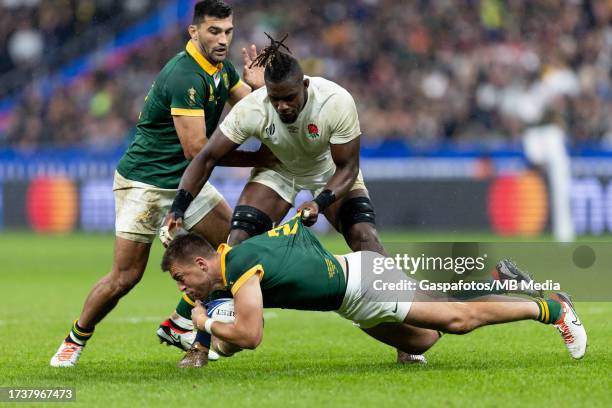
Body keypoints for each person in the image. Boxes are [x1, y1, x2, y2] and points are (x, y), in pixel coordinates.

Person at [161, 34, 427, 365]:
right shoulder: (253, 108)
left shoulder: (335, 101)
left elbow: (348, 167)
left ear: (304, 85)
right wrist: (178, 207)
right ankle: (200, 346)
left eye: (289, 98)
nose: (283, 106)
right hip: (277, 171)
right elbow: (206, 158)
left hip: (328, 171)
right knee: (235, 247)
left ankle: (409, 331)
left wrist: (321, 200)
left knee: (366, 241)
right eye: (276, 100)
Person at [50, 0, 270, 368]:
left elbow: (252, 110)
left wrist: (261, 89)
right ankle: (75, 338)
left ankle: (179, 324)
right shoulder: (185, 75)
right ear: (194, 32)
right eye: (214, 31)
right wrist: (256, 158)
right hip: (146, 182)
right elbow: (196, 149)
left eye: (228, 31)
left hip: (186, 181)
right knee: (126, 276)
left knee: (229, 252)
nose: (222, 39)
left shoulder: (222, 69)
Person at [161, 215, 587, 365]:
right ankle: (499, 284)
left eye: (183, 279)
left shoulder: (237, 265)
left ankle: (552, 309)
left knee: (459, 320)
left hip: (363, 283)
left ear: (202, 263)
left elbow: (250, 336)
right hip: (352, 295)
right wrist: (209, 337)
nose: (184, 289)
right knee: (427, 337)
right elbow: (234, 335)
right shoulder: (235, 261)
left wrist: (202, 322)